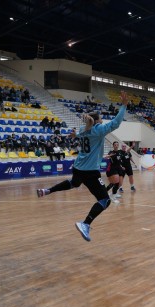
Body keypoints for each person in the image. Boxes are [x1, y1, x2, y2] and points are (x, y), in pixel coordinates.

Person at [36, 91, 128, 242]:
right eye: (101, 119)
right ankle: (85, 223)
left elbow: (80, 135)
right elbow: (116, 123)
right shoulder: (98, 130)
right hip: (90, 171)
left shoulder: (82, 130)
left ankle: (48, 190)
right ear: (97, 121)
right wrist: (124, 106)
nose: (103, 121)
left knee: (74, 183)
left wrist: (74, 136)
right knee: (105, 200)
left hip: (78, 166)